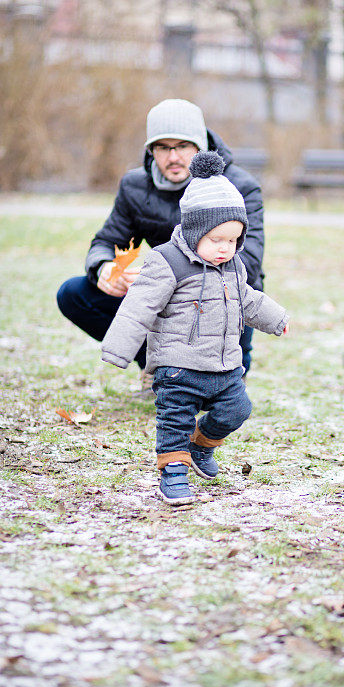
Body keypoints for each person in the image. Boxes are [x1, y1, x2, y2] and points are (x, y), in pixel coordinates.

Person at [101, 151, 289, 505]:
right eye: (217, 239)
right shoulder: (167, 261)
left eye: (233, 240)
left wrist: (276, 318)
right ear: (194, 229)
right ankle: (173, 474)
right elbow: (140, 306)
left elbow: (248, 299)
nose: (225, 248)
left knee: (238, 410)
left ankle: (200, 445)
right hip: (178, 366)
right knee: (174, 421)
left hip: (223, 365)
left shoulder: (233, 266)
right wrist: (119, 349)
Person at [56, 98, 265, 389]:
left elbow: (250, 264)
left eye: (182, 146)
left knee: (220, 394)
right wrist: (104, 268)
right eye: (163, 147)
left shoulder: (239, 186)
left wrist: (168, 275)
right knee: (73, 293)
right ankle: (157, 366)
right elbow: (106, 241)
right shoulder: (135, 186)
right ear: (151, 151)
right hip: (163, 298)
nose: (173, 157)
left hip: (222, 299)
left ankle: (206, 377)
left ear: (201, 145)